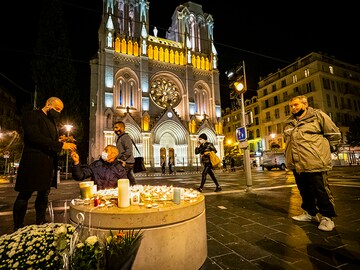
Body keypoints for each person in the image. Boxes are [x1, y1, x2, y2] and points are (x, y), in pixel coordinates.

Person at [13, 97, 77, 231]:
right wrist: (60, 145)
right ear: (48, 105)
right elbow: (33, 136)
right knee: (25, 194)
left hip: (47, 163)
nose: (59, 112)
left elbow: (47, 139)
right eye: (57, 109)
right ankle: (18, 225)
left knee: (44, 194)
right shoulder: (32, 115)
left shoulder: (52, 121)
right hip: (33, 161)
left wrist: (59, 140)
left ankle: (41, 221)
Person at [283, 95, 341, 232]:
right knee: (304, 190)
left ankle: (327, 217)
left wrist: (324, 152)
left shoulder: (317, 116)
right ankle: (310, 213)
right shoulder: (288, 122)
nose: (293, 108)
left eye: (296, 105)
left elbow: (333, 134)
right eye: (291, 106)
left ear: (305, 104)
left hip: (314, 161)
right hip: (296, 164)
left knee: (320, 190)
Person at [113, 121, 136, 185]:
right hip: (125, 162)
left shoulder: (125, 137)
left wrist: (121, 160)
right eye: (114, 128)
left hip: (126, 163)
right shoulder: (121, 137)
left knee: (126, 179)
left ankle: (132, 190)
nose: (115, 129)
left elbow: (129, 150)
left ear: (122, 128)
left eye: (116, 127)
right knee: (128, 179)